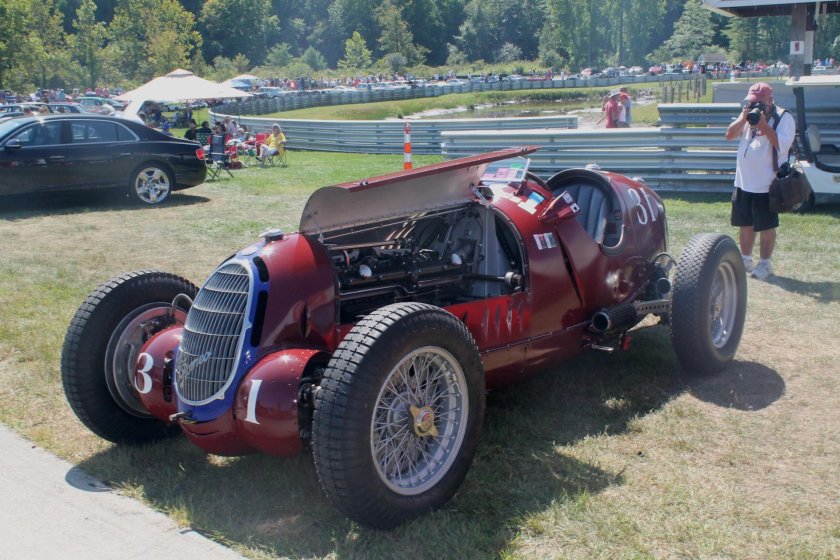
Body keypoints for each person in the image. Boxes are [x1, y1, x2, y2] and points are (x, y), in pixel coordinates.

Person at [725, 82, 795, 280]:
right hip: (743, 180)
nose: (756, 105)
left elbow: (782, 145)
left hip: (767, 183)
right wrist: (744, 118)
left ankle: (765, 263)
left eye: (759, 102)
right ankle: (745, 259)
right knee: (744, 223)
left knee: (765, 225)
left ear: (770, 100)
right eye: (752, 101)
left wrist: (764, 125)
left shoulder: (784, 117)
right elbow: (729, 135)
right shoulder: (747, 114)